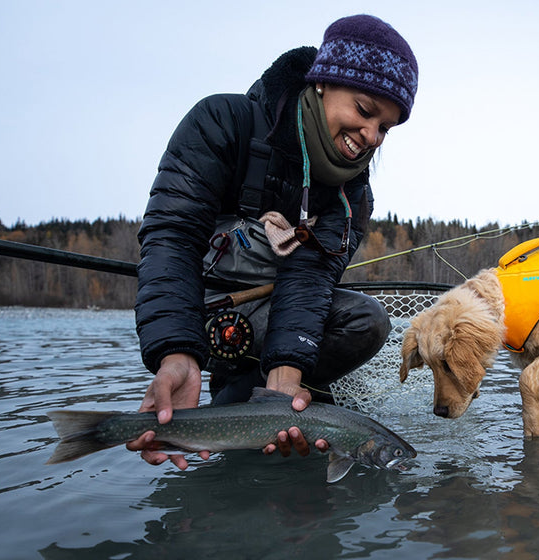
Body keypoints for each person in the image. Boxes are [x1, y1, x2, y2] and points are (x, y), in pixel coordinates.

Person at [126, 14, 418, 469]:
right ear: (323, 82)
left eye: (386, 127)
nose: (371, 137)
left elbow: (310, 278)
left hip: (275, 316)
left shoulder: (351, 194)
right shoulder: (222, 122)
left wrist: (287, 371)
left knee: (366, 320)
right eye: (364, 111)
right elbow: (172, 238)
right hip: (203, 312)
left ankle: (271, 401)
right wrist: (176, 353)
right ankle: (232, 392)